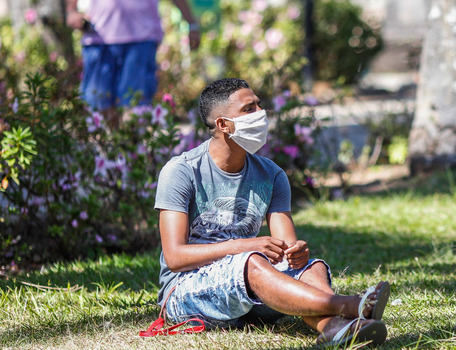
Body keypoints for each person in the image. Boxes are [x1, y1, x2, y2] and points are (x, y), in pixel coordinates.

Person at [153, 78, 390, 346]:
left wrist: (296, 252)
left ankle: (333, 328)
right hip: (185, 293)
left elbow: (289, 250)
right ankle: (350, 305)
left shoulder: (272, 174)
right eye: (248, 109)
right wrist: (244, 246)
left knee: (312, 269)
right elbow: (175, 257)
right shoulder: (182, 171)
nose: (260, 114)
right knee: (252, 260)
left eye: (259, 105)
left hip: (248, 295)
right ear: (222, 125)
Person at [65, 0, 201, 114]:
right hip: (99, 38)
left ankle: (129, 145)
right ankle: (104, 145)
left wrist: (191, 24)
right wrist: (71, 10)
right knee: (97, 108)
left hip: (141, 39)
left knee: (135, 108)